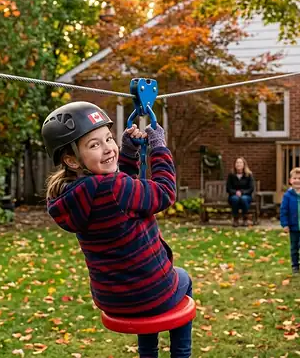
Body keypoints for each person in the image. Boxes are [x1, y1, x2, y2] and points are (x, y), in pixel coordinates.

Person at [42, 101, 192, 358]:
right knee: (183, 278)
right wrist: (159, 147)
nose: (108, 148)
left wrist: (128, 152)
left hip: (111, 297)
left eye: (109, 139)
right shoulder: (114, 188)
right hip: (149, 292)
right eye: (94, 144)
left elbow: (123, 194)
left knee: (147, 290)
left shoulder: (73, 193)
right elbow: (165, 193)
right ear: (72, 160)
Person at [226, 157, 255, 227]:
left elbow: (251, 188)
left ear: (244, 165)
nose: (238, 164)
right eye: (237, 162)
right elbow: (228, 188)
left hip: (246, 195)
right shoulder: (231, 175)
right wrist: (235, 192)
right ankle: (236, 219)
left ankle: (245, 219)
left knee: (243, 199)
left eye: (240, 162)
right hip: (233, 195)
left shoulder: (249, 175)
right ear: (235, 165)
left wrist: (242, 192)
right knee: (235, 199)